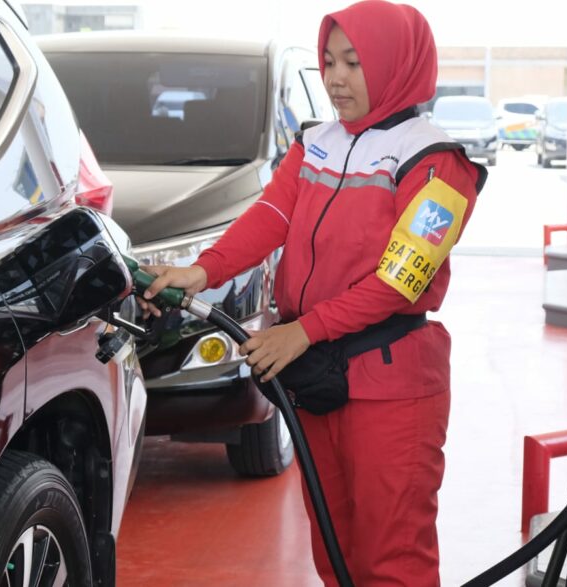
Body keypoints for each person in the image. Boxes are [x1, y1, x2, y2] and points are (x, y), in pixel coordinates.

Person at [142, 1, 487, 584]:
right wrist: (201, 272)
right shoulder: (317, 143)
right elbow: (272, 215)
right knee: (334, 552)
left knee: (392, 559)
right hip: (315, 373)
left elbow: (399, 281)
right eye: (328, 62)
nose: (335, 78)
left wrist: (302, 331)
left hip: (389, 382)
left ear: (396, 64)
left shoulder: (436, 163)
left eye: (354, 62)